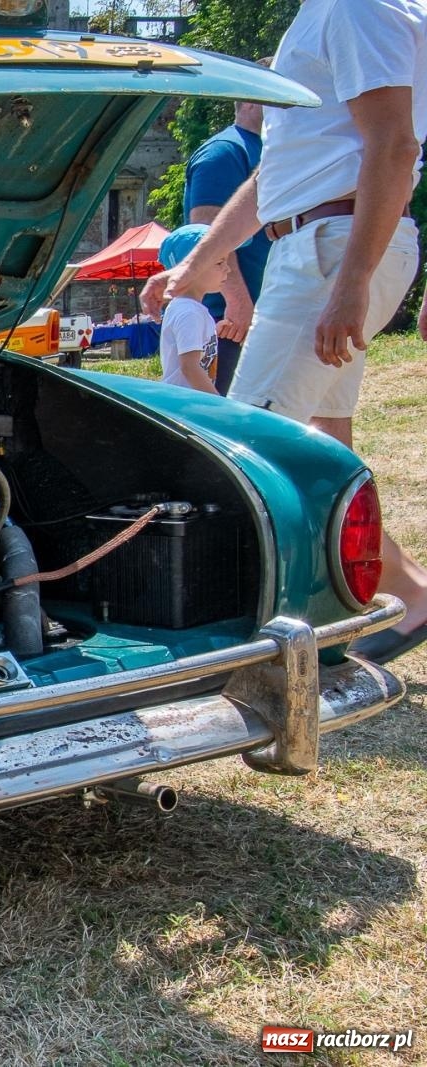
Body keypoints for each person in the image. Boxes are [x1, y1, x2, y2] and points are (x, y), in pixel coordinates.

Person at [141, 0, 427, 662]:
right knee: (323, 446)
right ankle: (408, 594)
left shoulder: (357, 8)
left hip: (332, 245)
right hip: (322, 241)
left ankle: (242, 641)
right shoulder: (328, 13)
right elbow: (276, 174)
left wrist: (352, 281)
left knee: (243, 452)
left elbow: (395, 145)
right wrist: (196, 263)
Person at [183, 84, 274, 393]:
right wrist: (236, 300)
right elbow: (207, 228)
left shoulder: (267, 149)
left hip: (259, 312)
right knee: (223, 411)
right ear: (250, 101)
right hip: (226, 320)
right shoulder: (225, 151)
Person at [155, 224, 227, 394]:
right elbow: (190, 367)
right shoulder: (189, 312)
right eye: (220, 262)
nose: (228, 268)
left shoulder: (189, 308)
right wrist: (218, 403)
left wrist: (213, 330)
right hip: (184, 403)